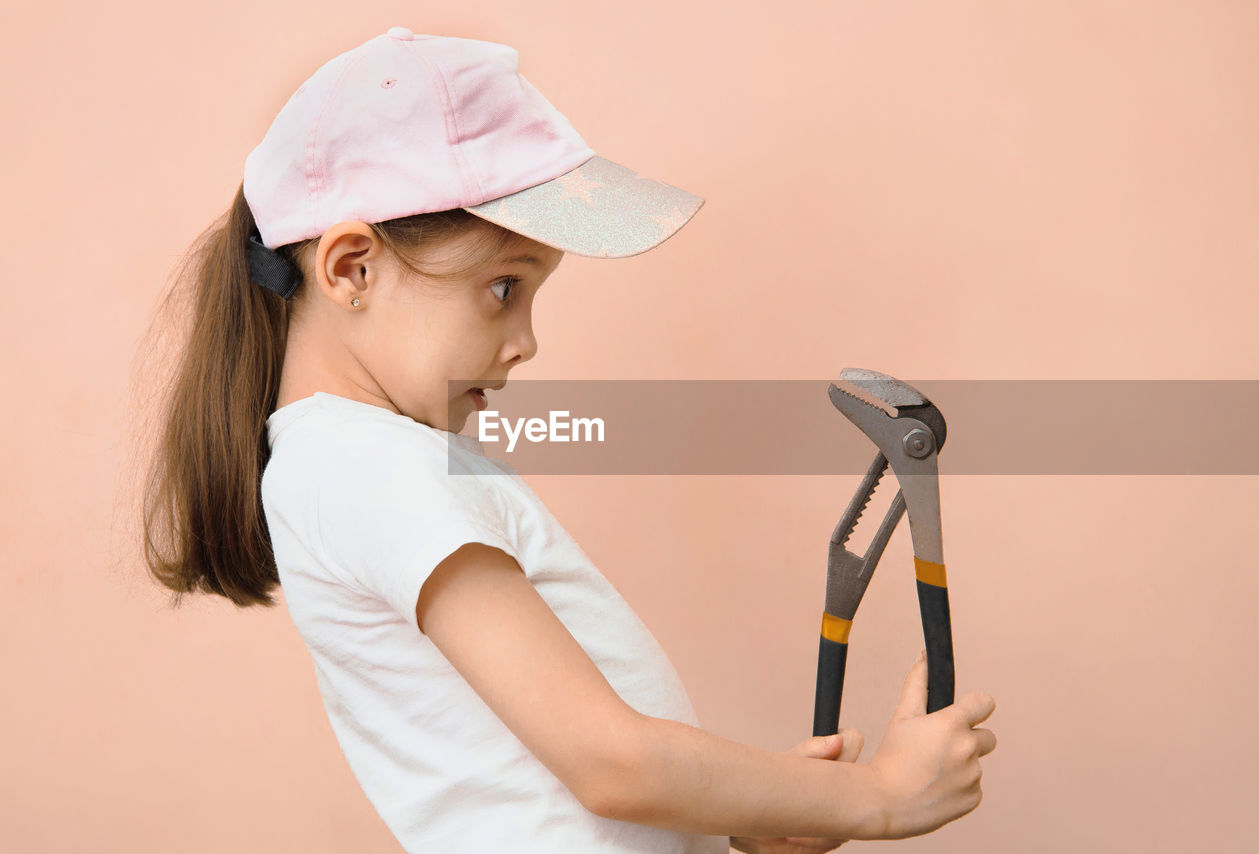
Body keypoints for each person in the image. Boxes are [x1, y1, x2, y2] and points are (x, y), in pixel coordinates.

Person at [140, 26, 997, 853]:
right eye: (503, 287)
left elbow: (563, 785)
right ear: (351, 268)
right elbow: (610, 764)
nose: (527, 341)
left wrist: (756, 810)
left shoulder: (358, 461)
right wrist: (879, 796)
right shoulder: (370, 466)